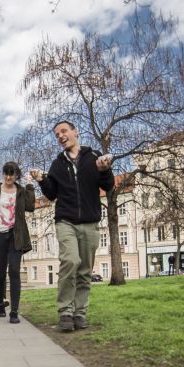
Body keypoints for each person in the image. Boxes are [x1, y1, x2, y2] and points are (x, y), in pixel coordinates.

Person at [30, 120, 114, 332]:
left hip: (90, 221)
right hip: (65, 221)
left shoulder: (93, 156)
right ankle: (65, 312)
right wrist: (41, 179)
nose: (60, 136)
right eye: (57, 134)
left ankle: (80, 313)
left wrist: (104, 171)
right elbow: (51, 194)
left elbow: (108, 186)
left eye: (64, 131)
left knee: (85, 270)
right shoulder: (57, 164)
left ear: (75, 132)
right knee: (70, 261)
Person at [0, 161, 35, 324]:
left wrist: (30, 185)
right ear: (3, 173)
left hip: (15, 236)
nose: (8, 176)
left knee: (15, 271)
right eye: (6, 173)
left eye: (12, 174)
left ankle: (14, 311)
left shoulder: (21, 191)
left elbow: (31, 206)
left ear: (16, 175)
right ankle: (0, 304)